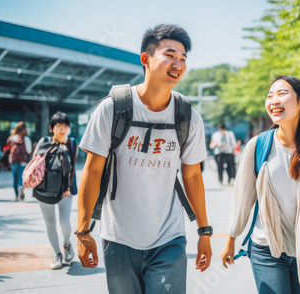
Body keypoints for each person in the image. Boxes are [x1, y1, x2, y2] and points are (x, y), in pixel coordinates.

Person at [77, 24, 212, 294]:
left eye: (183, 58)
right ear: (146, 59)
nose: (178, 64)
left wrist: (204, 232)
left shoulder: (188, 116)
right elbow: (92, 171)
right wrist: (82, 231)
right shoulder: (112, 108)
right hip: (119, 238)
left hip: (169, 237)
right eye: (170, 55)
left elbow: (193, 176)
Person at [221, 75, 300, 293]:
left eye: (282, 94)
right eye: (270, 96)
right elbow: (243, 199)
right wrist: (231, 238)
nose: (274, 100)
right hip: (265, 248)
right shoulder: (258, 146)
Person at [32, 112, 77, 269]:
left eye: (65, 126)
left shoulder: (71, 143)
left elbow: (72, 170)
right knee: (50, 224)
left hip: (65, 191)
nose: (62, 129)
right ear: (51, 128)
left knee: (64, 223)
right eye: (58, 126)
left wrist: (70, 187)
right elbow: (34, 164)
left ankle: (67, 244)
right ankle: (57, 254)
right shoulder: (43, 142)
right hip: (44, 190)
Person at [7, 121, 32, 201]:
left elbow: (7, 150)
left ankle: (16, 195)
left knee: (15, 178)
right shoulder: (26, 138)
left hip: (14, 161)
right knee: (22, 177)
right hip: (23, 161)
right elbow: (29, 150)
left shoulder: (11, 138)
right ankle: (21, 187)